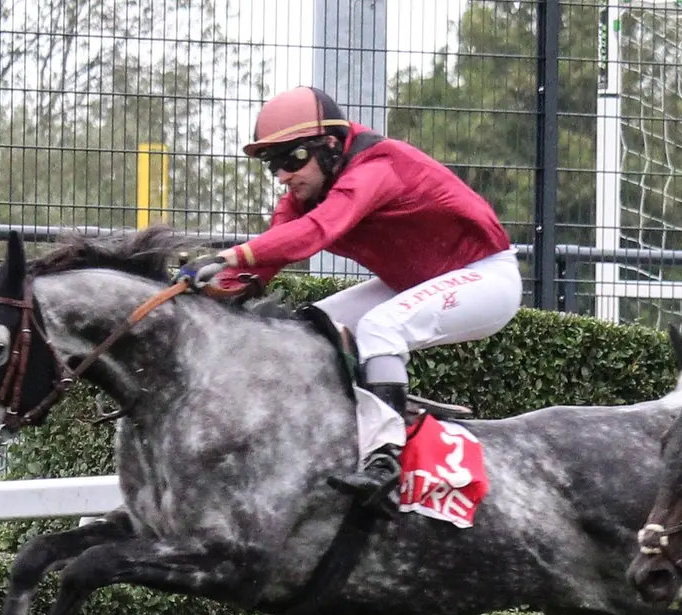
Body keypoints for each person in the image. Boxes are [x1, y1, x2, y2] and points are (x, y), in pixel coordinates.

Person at [177, 86, 521, 505]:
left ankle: (385, 460)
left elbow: (316, 232)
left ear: (329, 147)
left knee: (380, 327)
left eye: (292, 160)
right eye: (274, 166)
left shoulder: (376, 168)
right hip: (414, 282)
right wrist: (195, 299)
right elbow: (261, 265)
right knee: (310, 330)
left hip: (484, 277)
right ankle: (332, 435)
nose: (284, 176)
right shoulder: (304, 192)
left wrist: (228, 255)